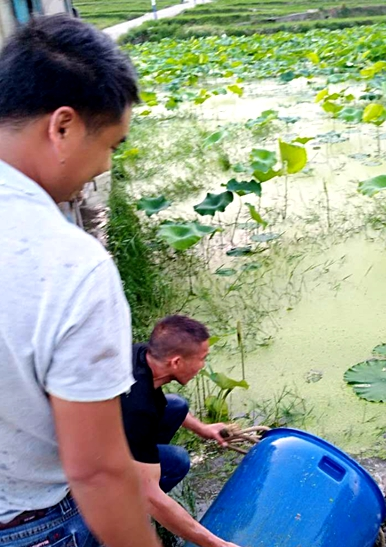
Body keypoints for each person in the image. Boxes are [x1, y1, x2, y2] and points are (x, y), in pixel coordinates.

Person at [0, 15, 162, 547]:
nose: (102, 166)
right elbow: (96, 471)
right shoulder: (70, 263)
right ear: (63, 126)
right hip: (31, 523)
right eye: (112, 145)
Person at [121, 315, 238, 547]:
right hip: (82, 469)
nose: (203, 366)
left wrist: (203, 429)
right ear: (176, 362)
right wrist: (217, 544)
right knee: (175, 461)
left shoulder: (143, 355)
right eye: (202, 359)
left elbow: (154, 403)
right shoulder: (138, 410)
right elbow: (151, 497)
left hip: (112, 429)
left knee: (175, 405)